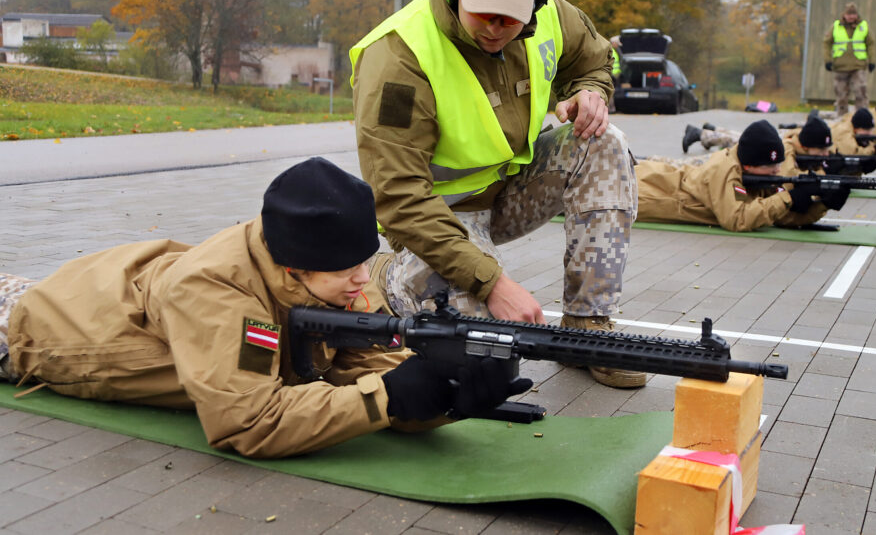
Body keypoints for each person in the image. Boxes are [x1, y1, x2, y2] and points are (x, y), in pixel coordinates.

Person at [0, 158, 531, 458]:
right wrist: (386, 398)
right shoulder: (217, 294)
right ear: (292, 269)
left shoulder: (335, 276)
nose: (362, 281)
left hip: (103, 286)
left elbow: (378, 382)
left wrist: (446, 397)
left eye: (363, 262)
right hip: (36, 327)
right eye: (346, 269)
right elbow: (248, 421)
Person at [349, 0, 643, 389]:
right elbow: (399, 198)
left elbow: (595, 58)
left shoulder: (549, 16)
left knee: (605, 144)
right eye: (483, 10)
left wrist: (591, 91)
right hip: (439, 217)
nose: (495, 27)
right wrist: (494, 284)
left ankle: (588, 329)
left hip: (508, 190)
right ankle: (391, 274)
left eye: (510, 16)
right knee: (480, 354)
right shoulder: (399, 57)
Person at [636, 120, 841, 231]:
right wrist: (788, 197)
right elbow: (737, 220)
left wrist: (821, 204)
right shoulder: (725, 170)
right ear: (750, 165)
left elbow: (776, 217)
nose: (778, 170)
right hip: (640, 191)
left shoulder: (749, 172)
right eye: (770, 166)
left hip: (653, 180)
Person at [824, 2, 875, 116]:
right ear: (844, 15)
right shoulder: (836, 26)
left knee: (860, 92)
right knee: (841, 95)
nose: (851, 17)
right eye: (849, 14)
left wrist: (872, 61)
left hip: (858, 66)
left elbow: (871, 44)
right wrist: (827, 60)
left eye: (854, 14)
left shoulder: (863, 26)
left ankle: (862, 117)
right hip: (840, 66)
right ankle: (842, 118)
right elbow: (827, 43)